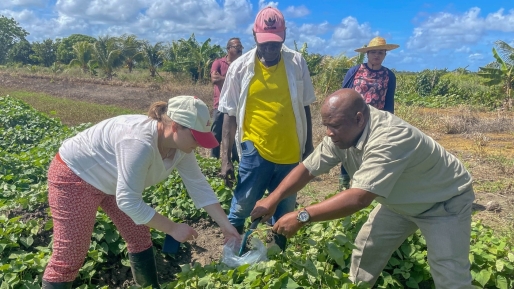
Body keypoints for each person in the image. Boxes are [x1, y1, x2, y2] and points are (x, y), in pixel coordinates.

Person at [251, 89, 475, 288]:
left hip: (443, 202)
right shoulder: (341, 134)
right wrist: (273, 199)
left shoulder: (390, 137)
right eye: (326, 125)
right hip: (400, 202)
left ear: (359, 119)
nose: (328, 133)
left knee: (449, 275)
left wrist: (301, 216)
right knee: (367, 248)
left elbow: (359, 198)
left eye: (335, 126)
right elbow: (308, 169)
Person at [42, 96, 240, 289]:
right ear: (175, 127)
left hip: (114, 179)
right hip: (76, 175)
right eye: (196, 138)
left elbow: (198, 185)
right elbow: (128, 201)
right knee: (70, 255)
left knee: (139, 236)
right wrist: (172, 228)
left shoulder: (181, 147)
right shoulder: (139, 143)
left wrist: (225, 226)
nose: (198, 145)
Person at [218, 6, 316, 250]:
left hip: (291, 152)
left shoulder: (296, 62)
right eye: (265, 43)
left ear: (283, 37)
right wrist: (225, 158)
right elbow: (229, 114)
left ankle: (276, 261)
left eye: (276, 43)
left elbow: (304, 107)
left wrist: (309, 146)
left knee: (285, 212)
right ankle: (231, 257)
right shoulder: (239, 67)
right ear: (254, 37)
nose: (271, 49)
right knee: (242, 206)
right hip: (254, 150)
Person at [339, 36, 399, 190]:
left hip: (375, 120)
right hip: (354, 119)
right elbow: (343, 93)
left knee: (371, 150)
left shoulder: (389, 75)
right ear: (367, 54)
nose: (376, 55)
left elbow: (389, 101)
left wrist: (389, 122)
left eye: (380, 52)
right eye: (373, 52)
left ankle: (364, 185)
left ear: (385, 55)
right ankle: (344, 183)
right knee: (350, 148)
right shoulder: (355, 71)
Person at [210, 37, 243, 161]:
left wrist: (223, 79)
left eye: (241, 47)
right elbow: (215, 80)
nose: (240, 50)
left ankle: (235, 160)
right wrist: (234, 81)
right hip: (219, 104)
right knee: (216, 133)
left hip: (236, 104)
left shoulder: (242, 64)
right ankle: (214, 160)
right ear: (229, 48)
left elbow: (243, 83)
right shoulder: (218, 63)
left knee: (235, 134)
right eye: (237, 47)